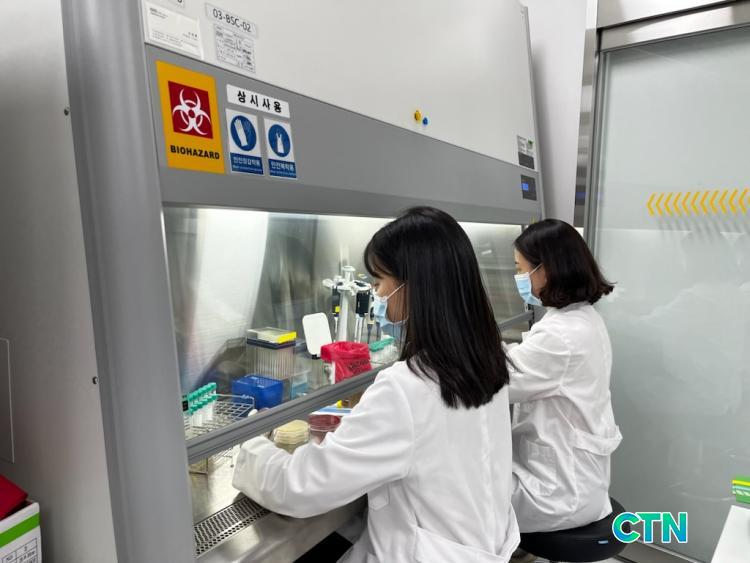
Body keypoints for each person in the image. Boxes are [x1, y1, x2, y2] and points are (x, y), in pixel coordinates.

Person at [232, 206, 520, 562]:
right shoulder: (487, 359)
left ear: (414, 288)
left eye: (380, 280)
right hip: (478, 546)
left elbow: (302, 486)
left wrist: (250, 444)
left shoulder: (408, 387)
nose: (375, 292)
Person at [506, 219, 622, 536]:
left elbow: (498, 381)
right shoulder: (579, 318)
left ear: (545, 270)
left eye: (520, 268)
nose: (519, 277)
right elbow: (526, 364)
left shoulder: (561, 335)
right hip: (574, 476)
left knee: (460, 499)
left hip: (559, 493)